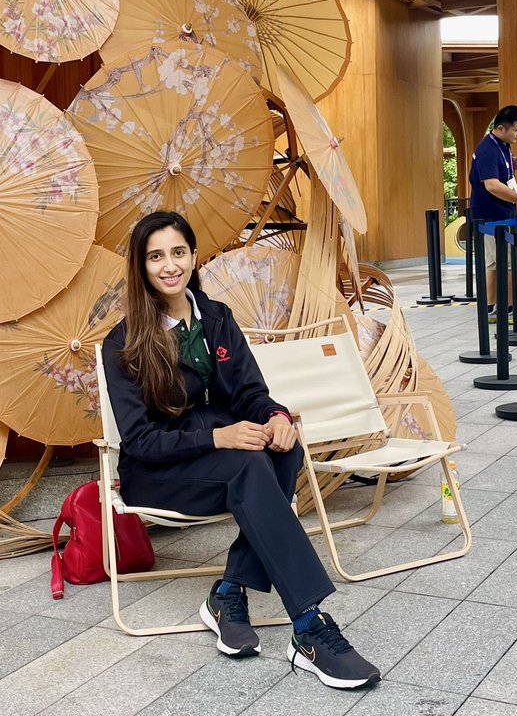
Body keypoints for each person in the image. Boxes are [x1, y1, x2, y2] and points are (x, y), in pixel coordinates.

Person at [101, 210, 381, 691]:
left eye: (178, 252)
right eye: (156, 256)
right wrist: (218, 437)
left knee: (281, 449)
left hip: (222, 455)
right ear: (141, 266)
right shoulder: (123, 343)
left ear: (192, 256)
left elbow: (251, 391)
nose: (169, 265)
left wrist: (276, 416)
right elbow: (141, 440)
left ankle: (228, 591)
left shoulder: (216, 317)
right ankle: (309, 625)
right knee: (248, 467)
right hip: (159, 471)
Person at [468, 105, 517, 310]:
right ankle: (507, 309)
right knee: (501, 263)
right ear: (501, 128)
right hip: (491, 216)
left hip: (503, 213)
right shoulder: (487, 149)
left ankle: (493, 307)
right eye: (516, 129)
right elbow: (492, 184)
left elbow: (507, 170)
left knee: (498, 262)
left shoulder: (503, 145)